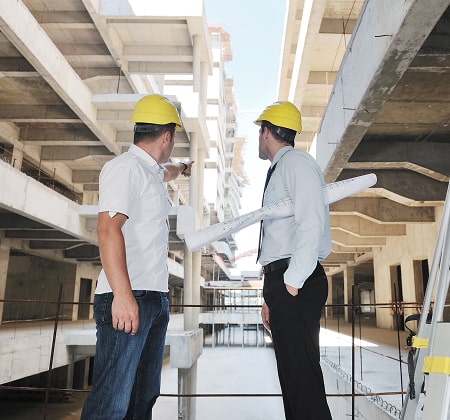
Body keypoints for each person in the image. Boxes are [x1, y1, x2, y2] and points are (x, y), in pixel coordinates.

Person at [81, 94, 194, 420]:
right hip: (128, 298)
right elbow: (107, 229)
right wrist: (123, 296)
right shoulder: (124, 169)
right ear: (167, 136)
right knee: (111, 404)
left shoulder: (151, 172)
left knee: (142, 400)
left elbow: (167, 171)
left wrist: (183, 167)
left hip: (154, 300)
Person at [255, 101, 332, 420]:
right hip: (284, 281)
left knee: (302, 383)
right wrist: (270, 296)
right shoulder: (282, 168)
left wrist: (291, 283)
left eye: (260, 131)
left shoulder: (296, 163)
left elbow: (311, 221)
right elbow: (279, 238)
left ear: (266, 132)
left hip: (295, 280)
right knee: (293, 381)